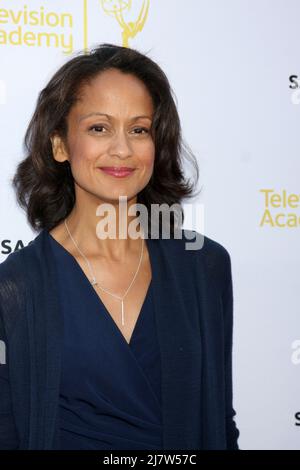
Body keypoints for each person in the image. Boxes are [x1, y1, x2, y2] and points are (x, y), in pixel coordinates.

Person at [0, 43, 239, 450]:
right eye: (99, 128)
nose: (123, 149)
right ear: (59, 144)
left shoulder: (205, 266)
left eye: (139, 129)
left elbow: (218, 418)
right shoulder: (15, 287)